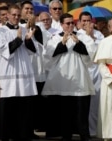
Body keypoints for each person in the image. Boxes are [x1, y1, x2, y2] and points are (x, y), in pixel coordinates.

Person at [42, 13, 96, 141]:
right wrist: (62, 43)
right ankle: (66, 136)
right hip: (62, 82)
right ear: (61, 25)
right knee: (65, 113)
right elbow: (48, 59)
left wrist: (78, 44)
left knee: (82, 112)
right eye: (68, 23)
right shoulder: (55, 38)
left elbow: (91, 57)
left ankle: (84, 135)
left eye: (72, 23)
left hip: (80, 80)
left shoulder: (83, 37)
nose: (71, 25)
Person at [0, 4, 38, 141]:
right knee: (7, 105)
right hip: (8, 73)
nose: (16, 17)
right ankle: (5, 135)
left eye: (18, 15)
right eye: (14, 15)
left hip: (23, 73)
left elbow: (33, 51)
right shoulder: (1, 31)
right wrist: (18, 39)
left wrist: (28, 40)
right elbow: (4, 52)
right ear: (7, 15)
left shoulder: (24, 30)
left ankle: (22, 134)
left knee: (23, 105)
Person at [76, 11, 104, 137]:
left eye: (89, 21)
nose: (87, 23)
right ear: (80, 22)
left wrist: (92, 37)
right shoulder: (77, 34)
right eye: (84, 21)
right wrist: (88, 36)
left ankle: (94, 130)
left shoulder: (99, 34)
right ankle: (83, 130)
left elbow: (102, 50)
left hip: (97, 70)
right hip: (83, 71)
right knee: (83, 102)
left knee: (96, 102)